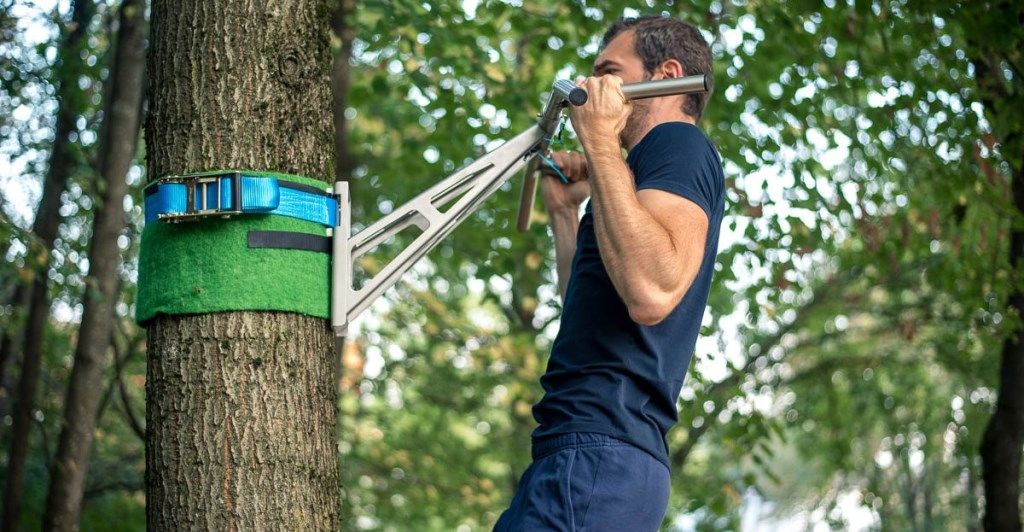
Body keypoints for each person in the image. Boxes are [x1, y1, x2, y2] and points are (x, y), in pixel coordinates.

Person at [494, 15, 725, 531]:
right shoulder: (631, 178)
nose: (590, 86)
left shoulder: (677, 145)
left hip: (599, 452)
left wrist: (599, 144)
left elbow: (651, 290)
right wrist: (563, 214)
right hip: (576, 451)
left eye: (607, 71)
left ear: (666, 75)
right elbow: (594, 304)